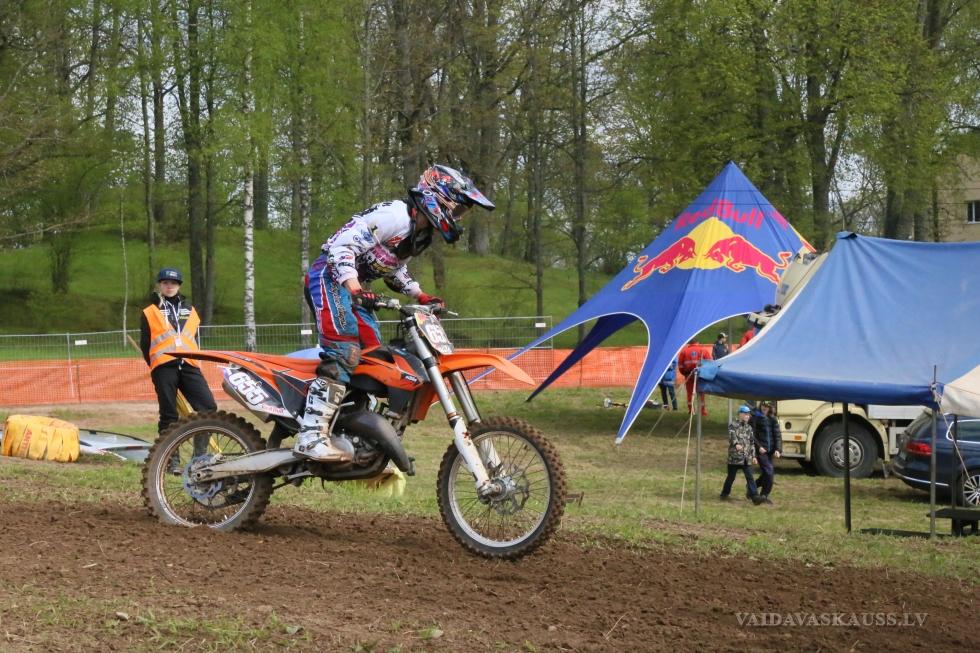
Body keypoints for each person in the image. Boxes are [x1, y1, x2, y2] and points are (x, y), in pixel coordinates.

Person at [297, 164, 495, 461]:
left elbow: (392, 269)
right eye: (458, 210)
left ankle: (356, 433)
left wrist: (420, 294)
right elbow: (340, 248)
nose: (458, 218)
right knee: (345, 351)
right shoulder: (395, 216)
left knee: (375, 357)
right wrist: (354, 287)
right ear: (439, 199)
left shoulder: (419, 232)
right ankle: (310, 435)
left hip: (353, 287)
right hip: (329, 278)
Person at [140, 267, 217, 436]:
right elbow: (145, 344)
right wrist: (155, 364)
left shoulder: (190, 310)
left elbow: (194, 338)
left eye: (173, 283)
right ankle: (169, 453)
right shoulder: (150, 311)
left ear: (179, 285)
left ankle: (200, 451)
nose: (169, 286)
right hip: (164, 367)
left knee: (208, 407)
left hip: (189, 364)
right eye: (165, 282)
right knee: (169, 414)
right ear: (160, 285)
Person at [720, 405, 763, 503]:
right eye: (745, 414)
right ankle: (724, 493)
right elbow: (732, 436)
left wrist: (754, 456)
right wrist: (736, 444)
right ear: (740, 414)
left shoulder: (749, 428)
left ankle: (755, 496)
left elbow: (751, 442)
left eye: (748, 414)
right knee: (731, 477)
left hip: (746, 458)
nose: (747, 416)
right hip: (735, 458)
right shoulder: (733, 425)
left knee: (750, 477)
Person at [751, 401, 782, 505]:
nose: (765, 408)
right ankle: (764, 496)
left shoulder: (772, 419)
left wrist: (778, 449)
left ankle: (752, 487)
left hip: (770, 451)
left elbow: (777, 435)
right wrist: (759, 447)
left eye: (767, 406)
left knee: (766, 474)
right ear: (760, 405)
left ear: (770, 408)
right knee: (769, 472)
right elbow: (752, 435)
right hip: (761, 451)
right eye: (763, 405)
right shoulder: (755, 418)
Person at [678, 339, 709, 416]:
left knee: (690, 393)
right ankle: (702, 411)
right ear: (697, 342)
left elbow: (680, 365)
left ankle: (691, 411)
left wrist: (684, 373)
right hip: (701, 375)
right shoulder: (703, 350)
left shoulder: (684, 351)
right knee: (701, 393)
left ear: (689, 343)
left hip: (689, 375)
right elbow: (710, 363)